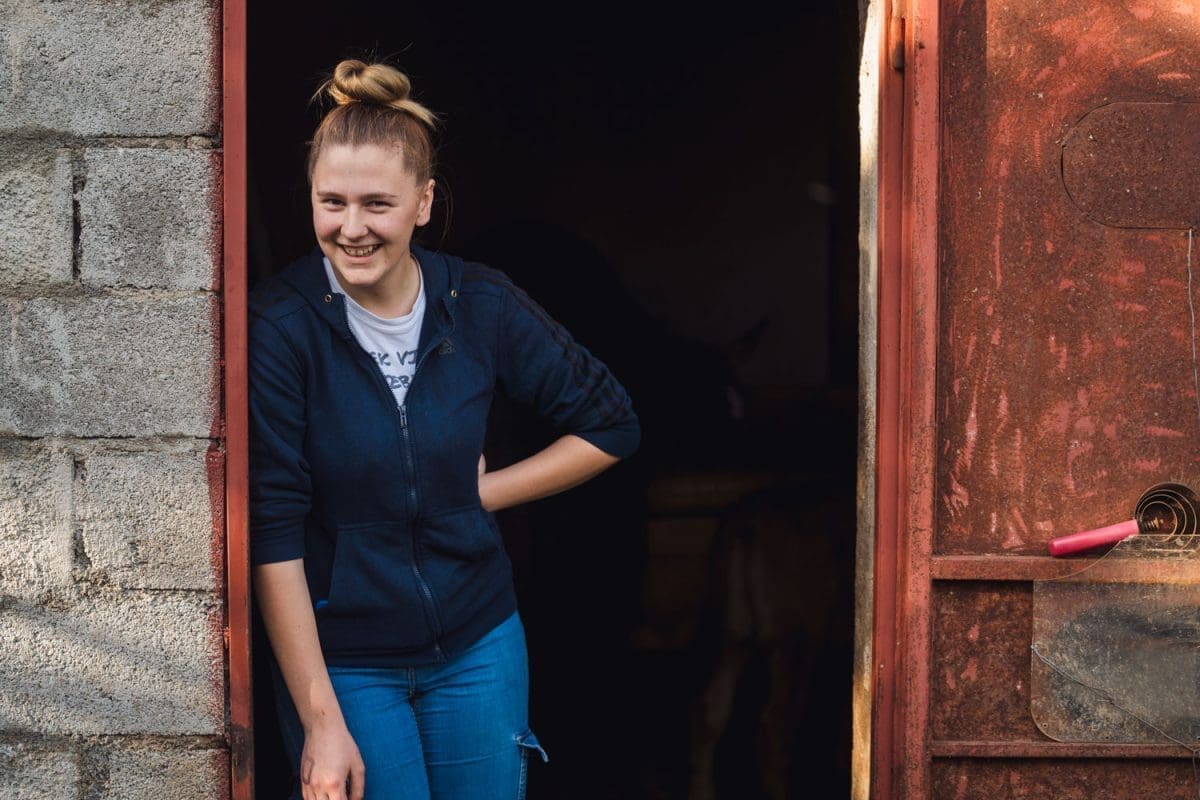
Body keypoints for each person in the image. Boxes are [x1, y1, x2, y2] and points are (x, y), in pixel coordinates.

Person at [249, 59, 640, 800]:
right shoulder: (281, 326)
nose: (352, 229)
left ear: (423, 202)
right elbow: (272, 531)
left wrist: (482, 494)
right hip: (346, 662)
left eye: (378, 204)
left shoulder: (480, 302)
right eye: (332, 203)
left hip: (478, 647)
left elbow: (610, 423)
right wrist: (320, 721)